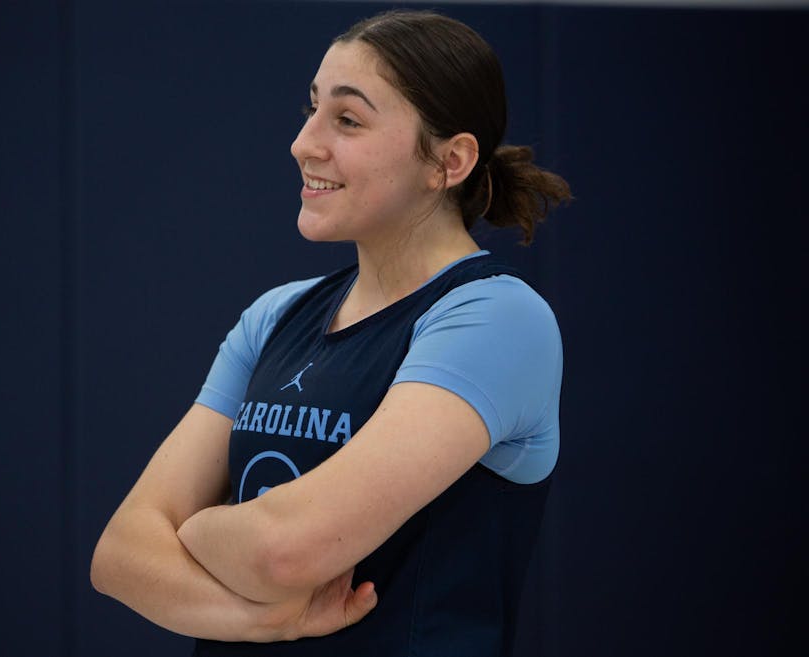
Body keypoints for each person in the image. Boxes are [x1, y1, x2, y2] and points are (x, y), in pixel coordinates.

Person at [91, 9, 571, 656]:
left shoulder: (495, 320)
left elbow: (287, 552)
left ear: (449, 161)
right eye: (311, 108)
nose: (303, 142)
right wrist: (272, 620)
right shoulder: (277, 315)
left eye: (347, 120)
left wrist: (197, 529)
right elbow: (120, 553)